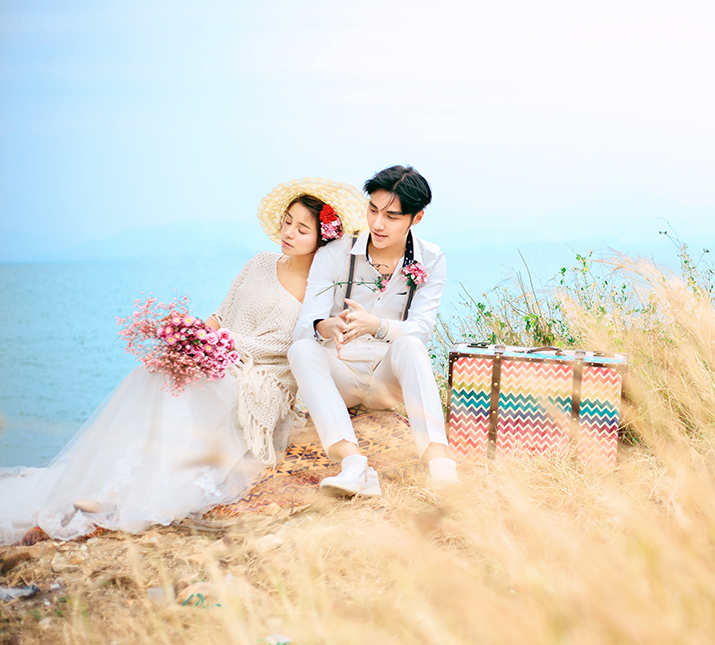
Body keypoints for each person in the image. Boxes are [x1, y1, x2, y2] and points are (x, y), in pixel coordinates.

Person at [0, 178, 367, 545]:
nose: (288, 233)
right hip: (221, 353)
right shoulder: (259, 263)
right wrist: (192, 342)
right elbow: (220, 316)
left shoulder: (321, 290)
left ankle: (129, 493)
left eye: (302, 229)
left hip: (264, 377)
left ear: (322, 239)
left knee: (208, 386)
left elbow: (300, 343)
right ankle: (113, 485)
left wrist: (226, 351)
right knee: (158, 373)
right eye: (287, 222)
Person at [289, 165, 459, 496]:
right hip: (341, 373)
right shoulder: (335, 253)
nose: (378, 224)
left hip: (387, 380)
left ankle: (441, 465)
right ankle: (354, 466)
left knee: (411, 345)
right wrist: (327, 325)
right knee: (301, 348)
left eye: (391, 216)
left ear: (416, 218)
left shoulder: (432, 258)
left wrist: (378, 326)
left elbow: (422, 330)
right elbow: (305, 325)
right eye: (373, 210)